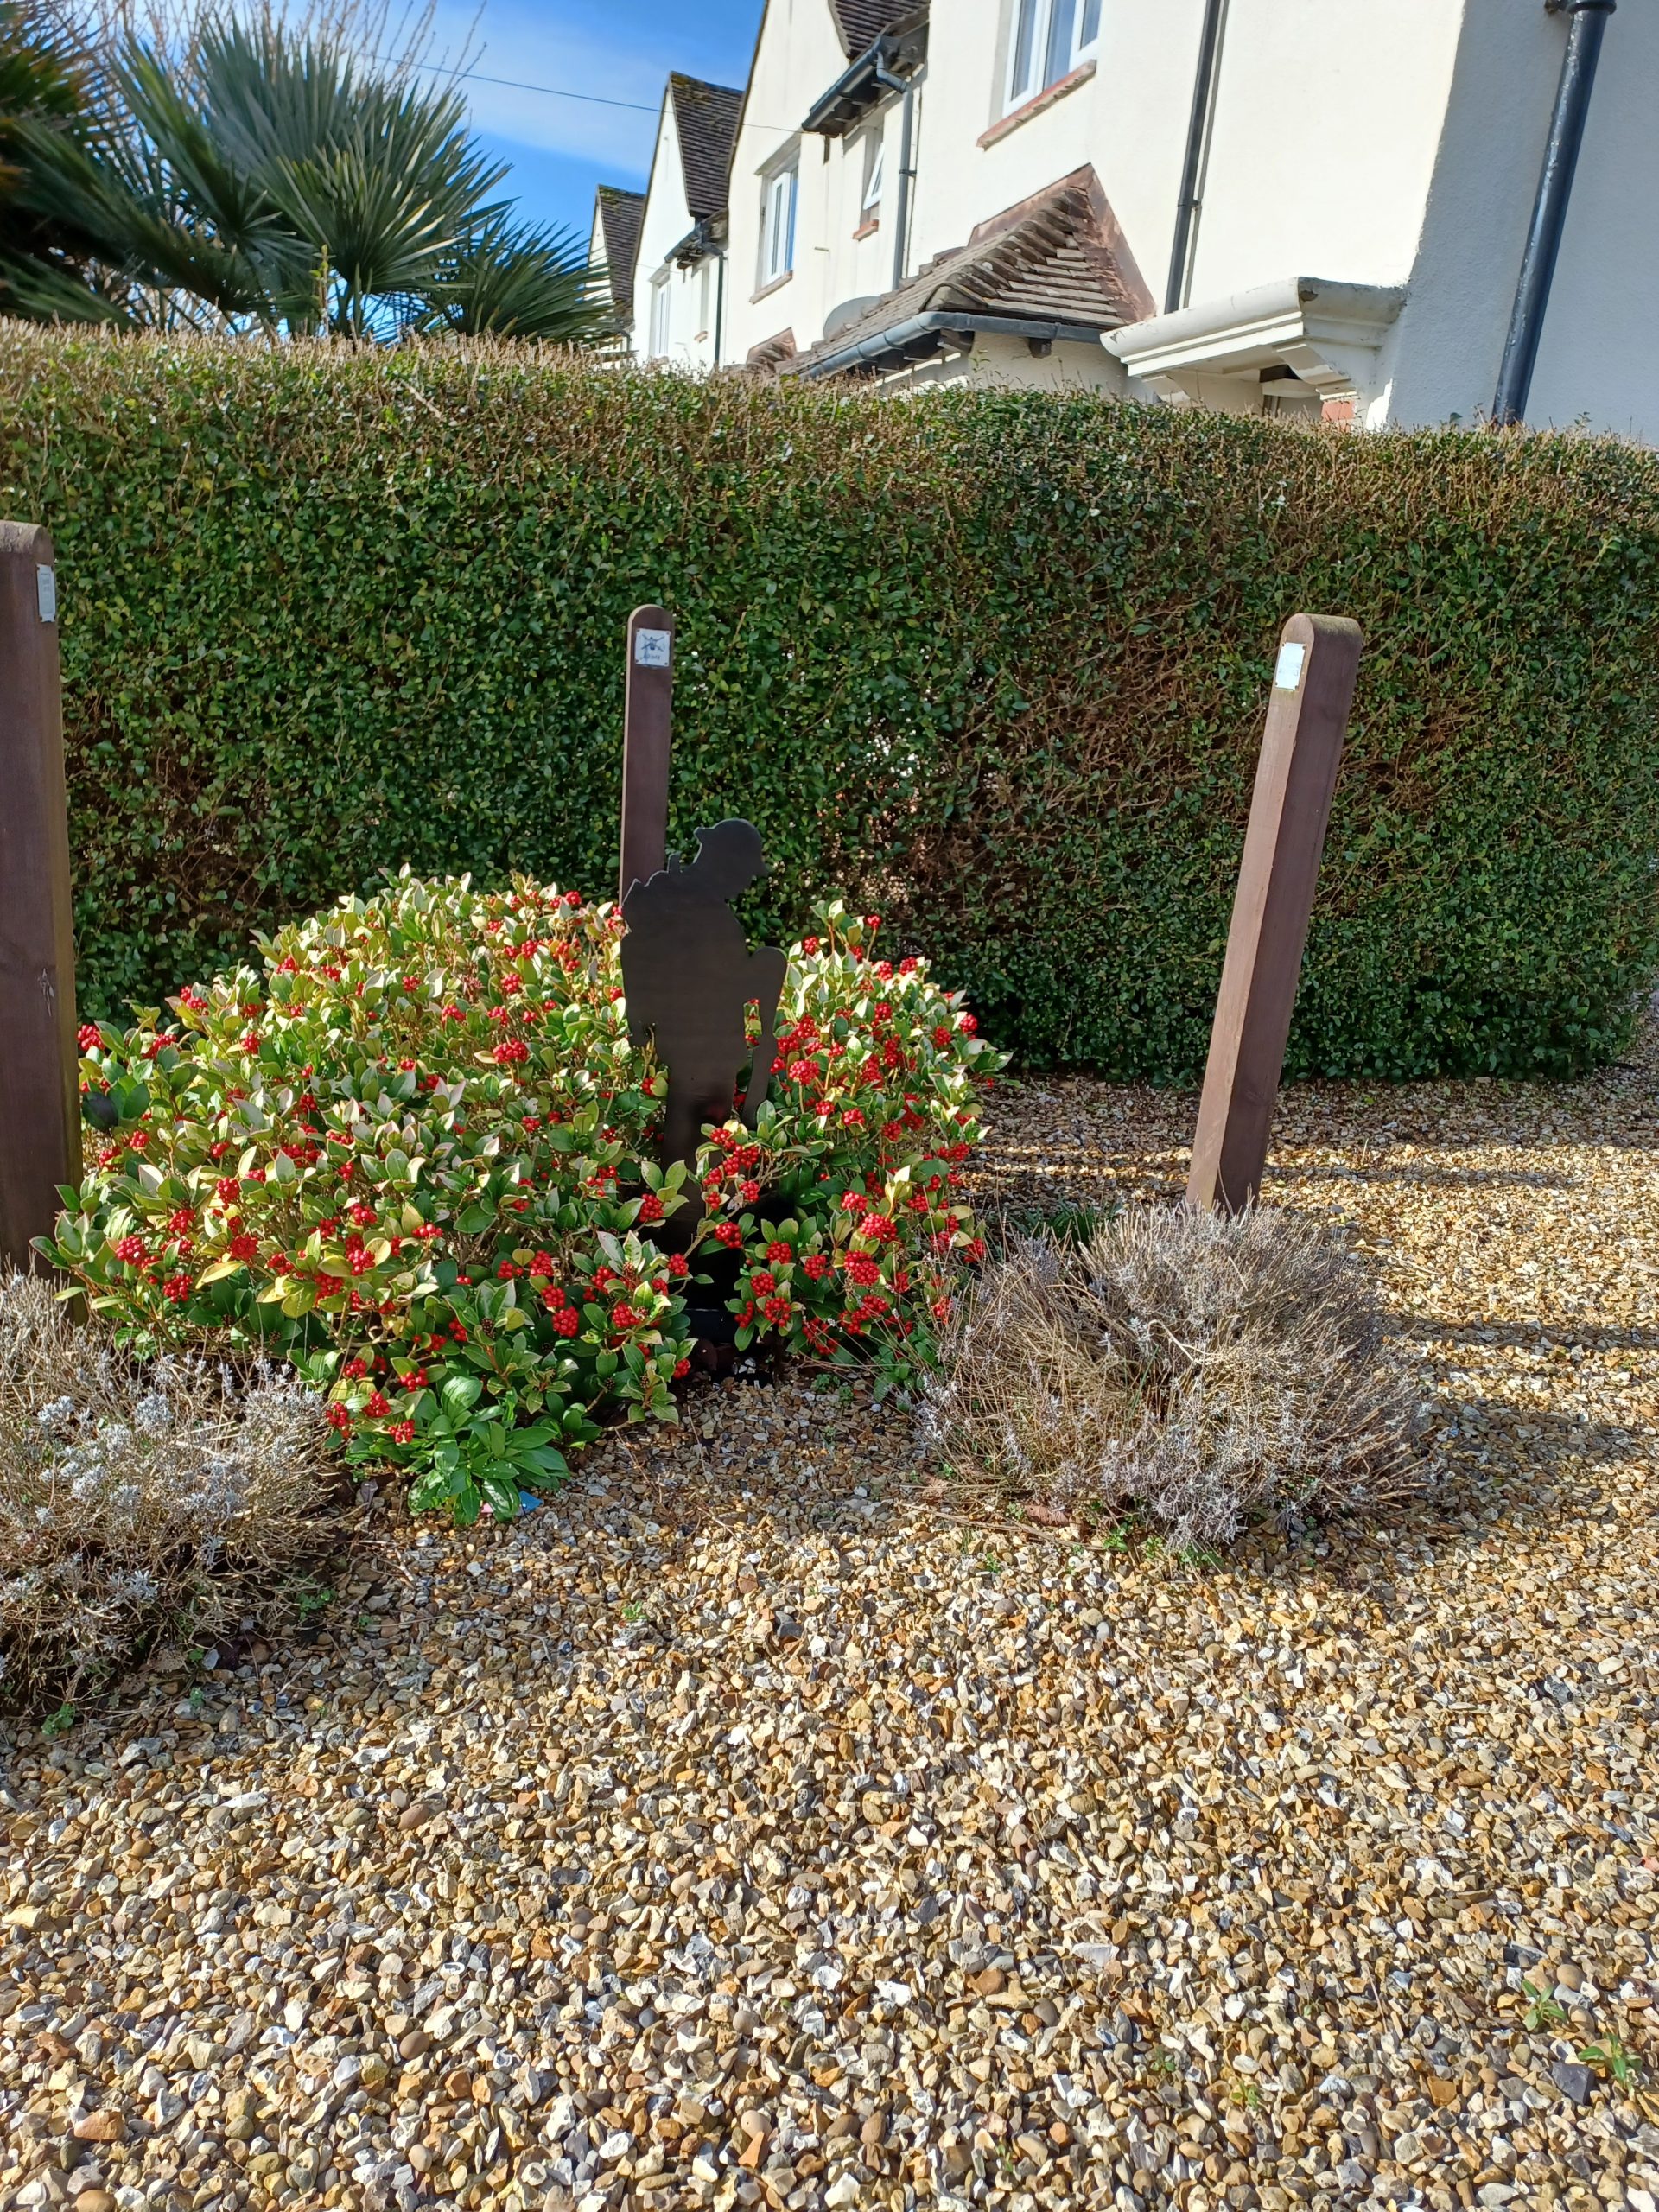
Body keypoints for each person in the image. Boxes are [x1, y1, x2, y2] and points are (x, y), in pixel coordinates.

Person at [620, 821, 786, 1187]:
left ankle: (687, 1209)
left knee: (697, 1150)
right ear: (725, 864)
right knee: (695, 1154)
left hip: (703, 1051)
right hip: (700, 1054)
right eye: (744, 873)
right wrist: (765, 970)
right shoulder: (695, 910)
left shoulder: (688, 902)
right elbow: (714, 984)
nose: (745, 884)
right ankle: (686, 1213)